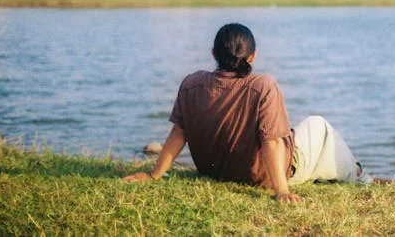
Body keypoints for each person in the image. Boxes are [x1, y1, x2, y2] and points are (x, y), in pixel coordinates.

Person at [122, 23, 369, 202]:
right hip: (266, 175)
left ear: (214, 54)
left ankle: (354, 171)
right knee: (319, 126)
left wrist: (154, 175)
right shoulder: (263, 85)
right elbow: (271, 142)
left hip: (219, 171)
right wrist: (281, 191)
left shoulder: (191, 83)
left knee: (305, 140)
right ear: (253, 56)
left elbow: (178, 133)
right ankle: (360, 175)